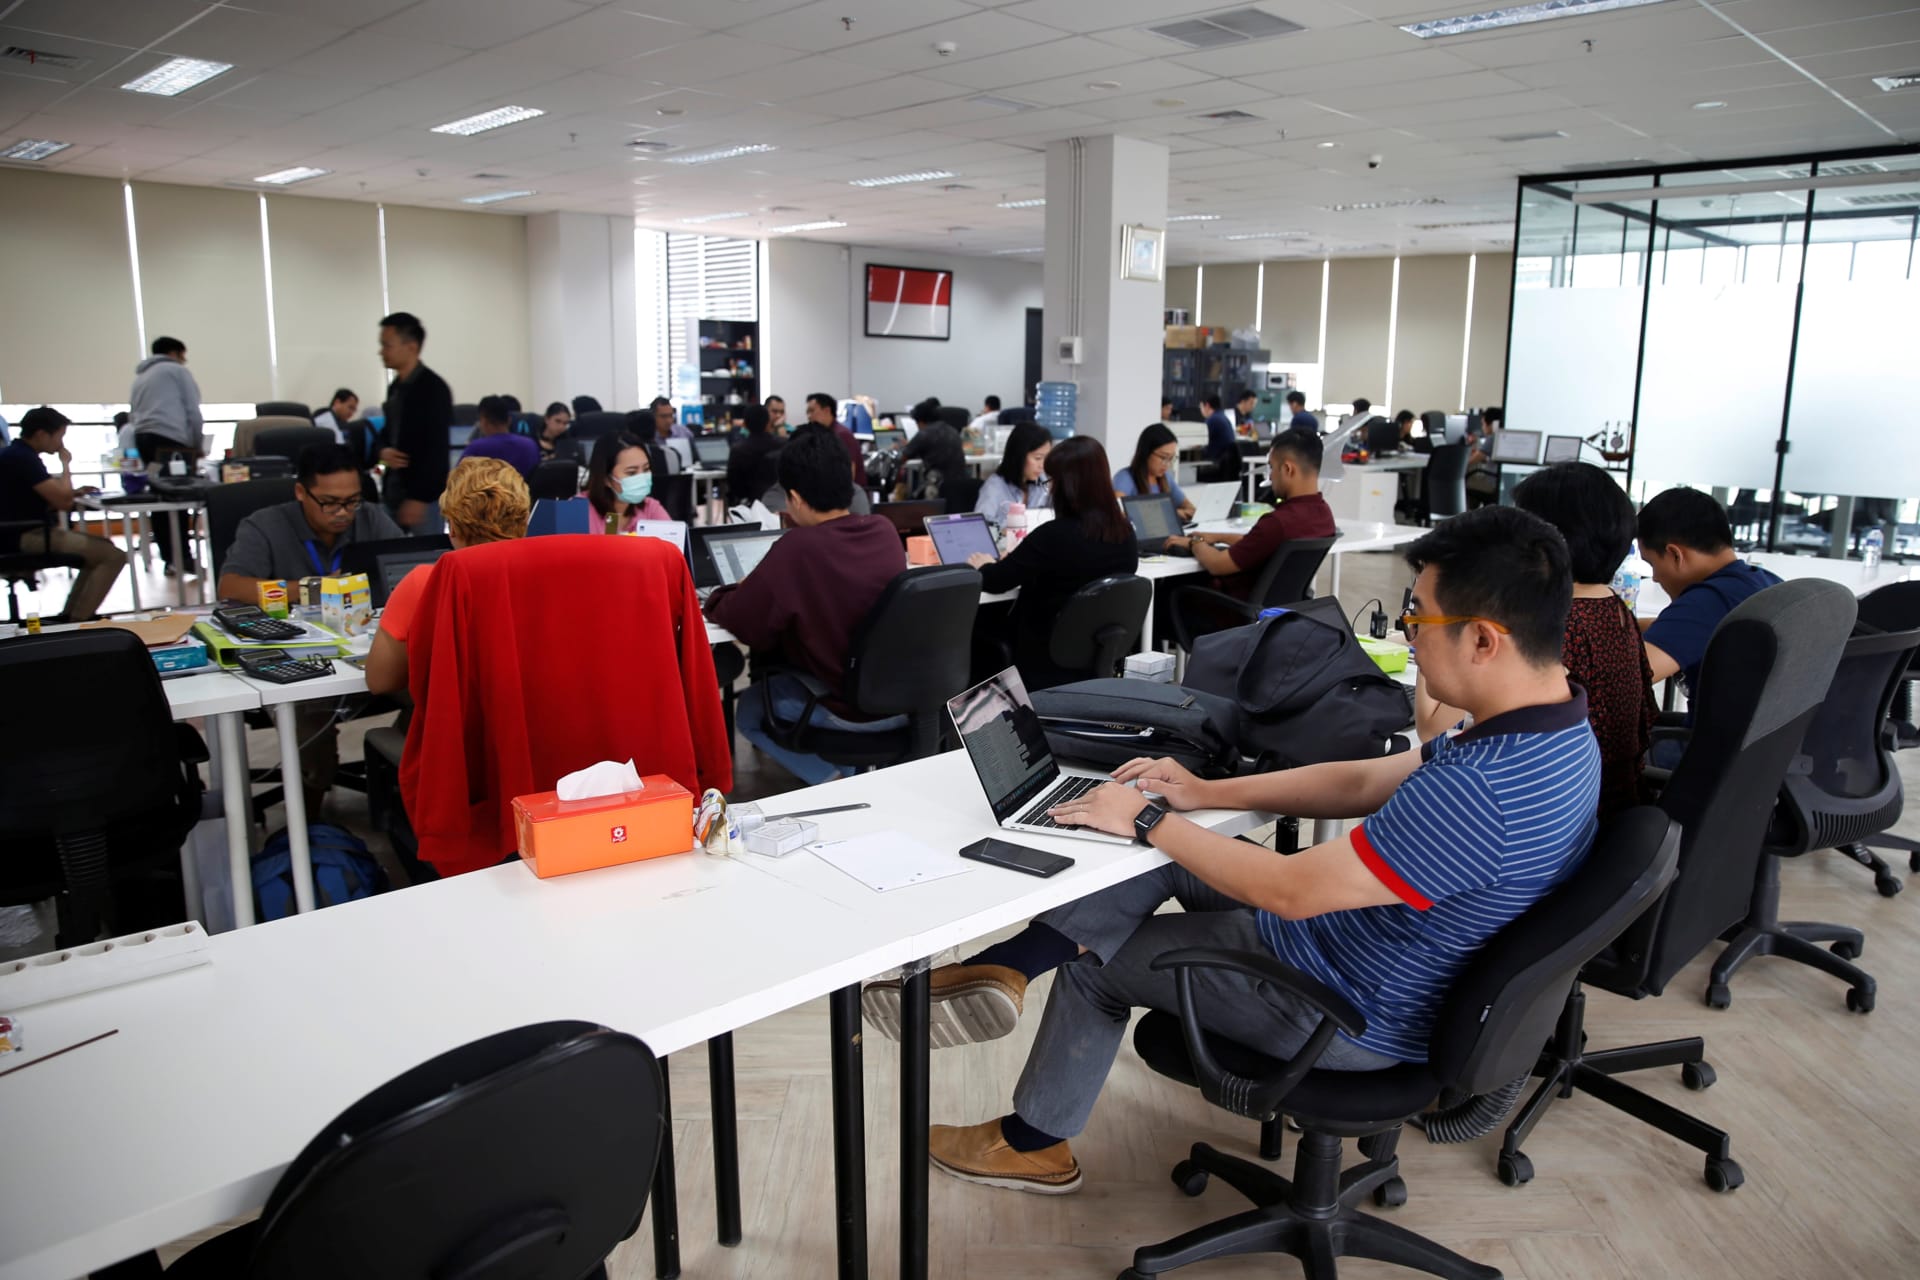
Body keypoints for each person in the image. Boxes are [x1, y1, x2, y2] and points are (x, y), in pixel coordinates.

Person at [872, 506, 1599, 1195]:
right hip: (1366, 951)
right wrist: (1199, 795)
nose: (1409, 633)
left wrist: (1150, 818)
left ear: (1483, 639)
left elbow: (1292, 890)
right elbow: (1363, 779)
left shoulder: (1483, 793)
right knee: (1162, 850)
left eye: (1420, 617)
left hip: (1348, 1006)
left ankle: (1034, 1144)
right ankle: (1003, 969)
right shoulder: (1551, 729)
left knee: (1100, 961)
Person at [1418, 462, 1655, 819]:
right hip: (1614, 809)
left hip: (1563, 818)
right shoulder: (1615, 608)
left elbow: (1430, 725)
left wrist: (1428, 627)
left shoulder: (1554, 625)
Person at [704, 428, 905, 786]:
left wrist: (728, 592)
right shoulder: (883, 530)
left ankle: (834, 781)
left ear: (794, 498)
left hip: (842, 708)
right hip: (901, 702)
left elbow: (743, 621)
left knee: (749, 712)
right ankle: (856, 778)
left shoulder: (798, 548)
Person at [219, 444, 403, 811]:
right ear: (301, 492)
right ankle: (310, 827)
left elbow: (404, 563)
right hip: (298, 663)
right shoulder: (265, 525)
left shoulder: (368, 518)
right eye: (330, 502)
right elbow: (230, 587)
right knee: (309, 732)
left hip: (366, 655)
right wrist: (313, 588)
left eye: (352, 501)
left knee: (440, 692)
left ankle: (398, 780)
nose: (343, 513)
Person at [970, 437, 1138, 691]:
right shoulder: (1126, 533)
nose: (1049, 490)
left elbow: (996, 581)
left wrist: (983, 565)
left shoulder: (1054, 535)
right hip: (1096, 649)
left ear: (1068, 485)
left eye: (1052, 481)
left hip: (1043, 652)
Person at [365, 458, 529, 698]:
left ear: (451, 526)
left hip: (455, 730)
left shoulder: (426, 583)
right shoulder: (551, 579)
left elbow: (380, 681)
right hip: (539, 728)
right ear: (524, 523)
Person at [1638, 486, 1782, 712]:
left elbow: (1624, 682)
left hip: (1700, 744)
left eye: (1652, 564)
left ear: (1676, 554)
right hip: (1760, 742)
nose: (1655, 578)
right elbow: (1680, 629)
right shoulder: (1763, 582)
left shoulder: (1706, 602)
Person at [1164, 429, 1335, 600]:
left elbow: (1217, 564)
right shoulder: (1324, 515)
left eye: (1272, 467)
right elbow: (1263, 544)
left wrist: (1195, 542)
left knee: (1170, 588)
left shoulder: (1277, 522)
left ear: (1288, 469)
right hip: (1281, 611)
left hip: (1232, 611)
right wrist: (1216, 537)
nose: (1271, 476)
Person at [0, 407, 125, 621]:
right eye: (60, 436)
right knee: (113, 555)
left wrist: (71, 492)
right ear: (41, 434)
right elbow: (64, 502)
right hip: (26, 536)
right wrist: (66, 464)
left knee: (102, 548)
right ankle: (77, 620)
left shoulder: (14, 454)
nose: (61, 444)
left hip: (13, 533)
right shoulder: (24, 458)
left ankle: (71, 615)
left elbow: (36, 496)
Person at [128, 335, 204, 573]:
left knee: (159, 498)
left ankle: (169, 559)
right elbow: (192, 410)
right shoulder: (175, 372)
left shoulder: (141, 378)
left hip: (145, 440)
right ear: (174, 353)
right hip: (172, 442)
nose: (184, 360)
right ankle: (183, 559)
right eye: (183, 355)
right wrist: (196, 444)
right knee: (179, 498)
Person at [376, 311, 454, 534]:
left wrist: (418, 498)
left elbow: (436, 449)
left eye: (387, 345)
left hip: (422, 499)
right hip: (394, 491)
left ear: (411, 346)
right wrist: (383, 451)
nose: (381, 351)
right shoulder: (396, 388)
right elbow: (388, 433)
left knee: (424, 560)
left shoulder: (433, 389)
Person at [584, 430, 672, 533]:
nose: (641, 477)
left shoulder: (650, 508)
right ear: (606, 478)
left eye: (646, 469)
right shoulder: (578, 511)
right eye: (631, 473)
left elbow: (674, 544)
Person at [1113, 423, 1193, 521]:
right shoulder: (1125, 478)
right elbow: (1117, 514)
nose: (1167, 464)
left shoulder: (1166, 478)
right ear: (1146, 453)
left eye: (1171, 458)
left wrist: (1171, 513)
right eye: (1163, 457)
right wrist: (1169, 513)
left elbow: (1191, 510)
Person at [975, 422, 1051, 526]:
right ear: (1020, 455)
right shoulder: (994, 488)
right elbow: (981, 528)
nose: (1042, 465)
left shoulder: (1043, 483)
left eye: (1046, 459)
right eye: (1038, 458)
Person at [900, 397, 967, 497]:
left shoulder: (924, 433)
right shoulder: (952, 430)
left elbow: (903, 458)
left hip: (938, 485)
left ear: (920, 421)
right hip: (960, 482)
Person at [459, 395, 538, 476]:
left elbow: (456, 480)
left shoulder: (476, 448)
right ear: (509, 420)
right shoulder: (530, 445)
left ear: (484, 421)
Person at [805, 392, 867, 488]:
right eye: (808, 412)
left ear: (827, 410)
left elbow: (849, 476)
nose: (809, 416)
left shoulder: (842, 435)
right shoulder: (823, 435)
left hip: (849, 498)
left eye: (812, 411)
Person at [727, 406, 784, 507]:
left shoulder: (738, 450)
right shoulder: (784, 444)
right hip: (781, 500)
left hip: (751, 504)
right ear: (768, 423)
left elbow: (734, 485)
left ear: (744, 424)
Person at [1198, 393, 1236, 482]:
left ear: (1207, 405)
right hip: (1225, 465)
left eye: (1201, 407)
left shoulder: (1213, 420)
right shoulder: (1223, 417)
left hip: (1216, 464)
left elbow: (1201, 442)